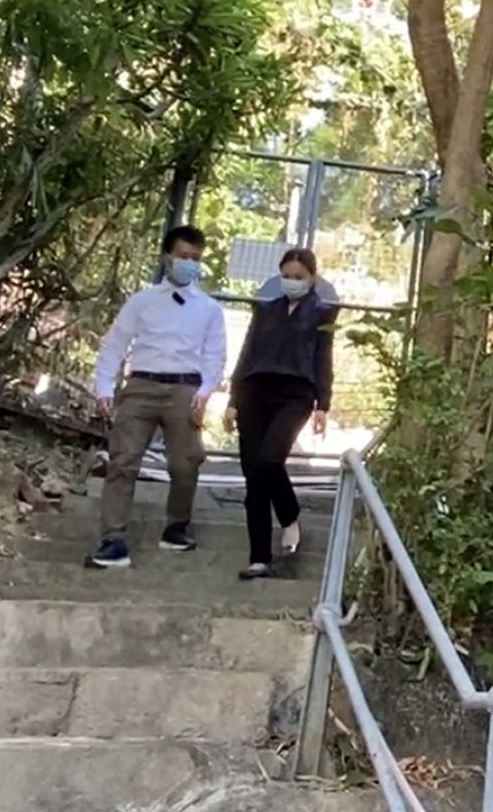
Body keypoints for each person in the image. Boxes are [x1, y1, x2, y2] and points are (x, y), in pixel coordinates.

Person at [88, 225, 226, 568]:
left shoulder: (209, 308)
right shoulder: (142, 301)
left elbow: (215, 355)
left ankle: (177, 525)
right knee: (122, 461)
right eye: (183, 256)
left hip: (185, 389)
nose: (189, 263)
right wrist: (104, 387)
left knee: (185, 462)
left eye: (195, 258)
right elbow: (116, 344)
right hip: (141, 387)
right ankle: (113, 539)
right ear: (168, 257)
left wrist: (205, 392)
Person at [227, 247, 337, 580]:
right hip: (255, 390)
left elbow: (323, 358)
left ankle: (289, 514)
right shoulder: (265, 310)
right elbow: (248, 352)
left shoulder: (322, 313)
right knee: (254, 475)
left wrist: (323, 403)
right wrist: (233, 398)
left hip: (296, 393)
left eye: (298, 277)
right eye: (286, 276)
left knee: (270, 459)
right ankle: (259, 557)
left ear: (312, 279)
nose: (291, 282)